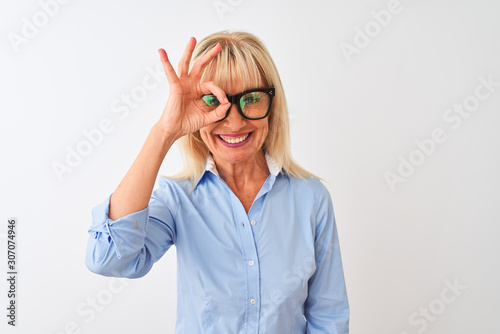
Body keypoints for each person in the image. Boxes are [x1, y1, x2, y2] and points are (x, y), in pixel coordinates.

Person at [85, 30, 349, 333]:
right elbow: (107, 259)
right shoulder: (177, 200)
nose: (234, 122)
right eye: (213, 100)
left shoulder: (311, 199)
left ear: (272, 105)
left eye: (251, 99)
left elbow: (329, 317)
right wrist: (164, 132)